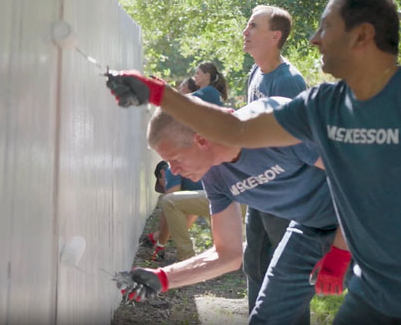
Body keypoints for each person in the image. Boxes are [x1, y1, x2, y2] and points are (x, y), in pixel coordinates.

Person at [106, 0, 401, 325]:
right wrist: (157, 93)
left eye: (326, 27)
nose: (313, 38)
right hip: (364, 274)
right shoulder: (320, 105)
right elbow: (232, 128)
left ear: (362, 36)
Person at [116, 97, 350, 324]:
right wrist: (163, 278)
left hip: (369, 220)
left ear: (201, 140)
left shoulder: (273, 123)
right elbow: (227, 254)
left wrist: (341, 247)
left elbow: (360, 178)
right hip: (309, 228)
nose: (174, 172)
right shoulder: (214, 176)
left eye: (175, 159)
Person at [240, 4, 313, 320]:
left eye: (253, 26)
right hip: (258, 189)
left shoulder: (288, 82)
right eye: (247, 25)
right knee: (255, 264)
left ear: (275, 36)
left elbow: (298, 145)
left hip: (286, 197)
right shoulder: (256, 72)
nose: (245, 32)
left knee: (287, 277)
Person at [142, 71, 225, 261]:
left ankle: (186, 255)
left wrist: (160, 245)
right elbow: (189, 211)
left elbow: (172, 203)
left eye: (175, 158)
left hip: (226, 199)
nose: (176, 168)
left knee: (170, 202)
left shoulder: (172, 170)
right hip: (221, 199)